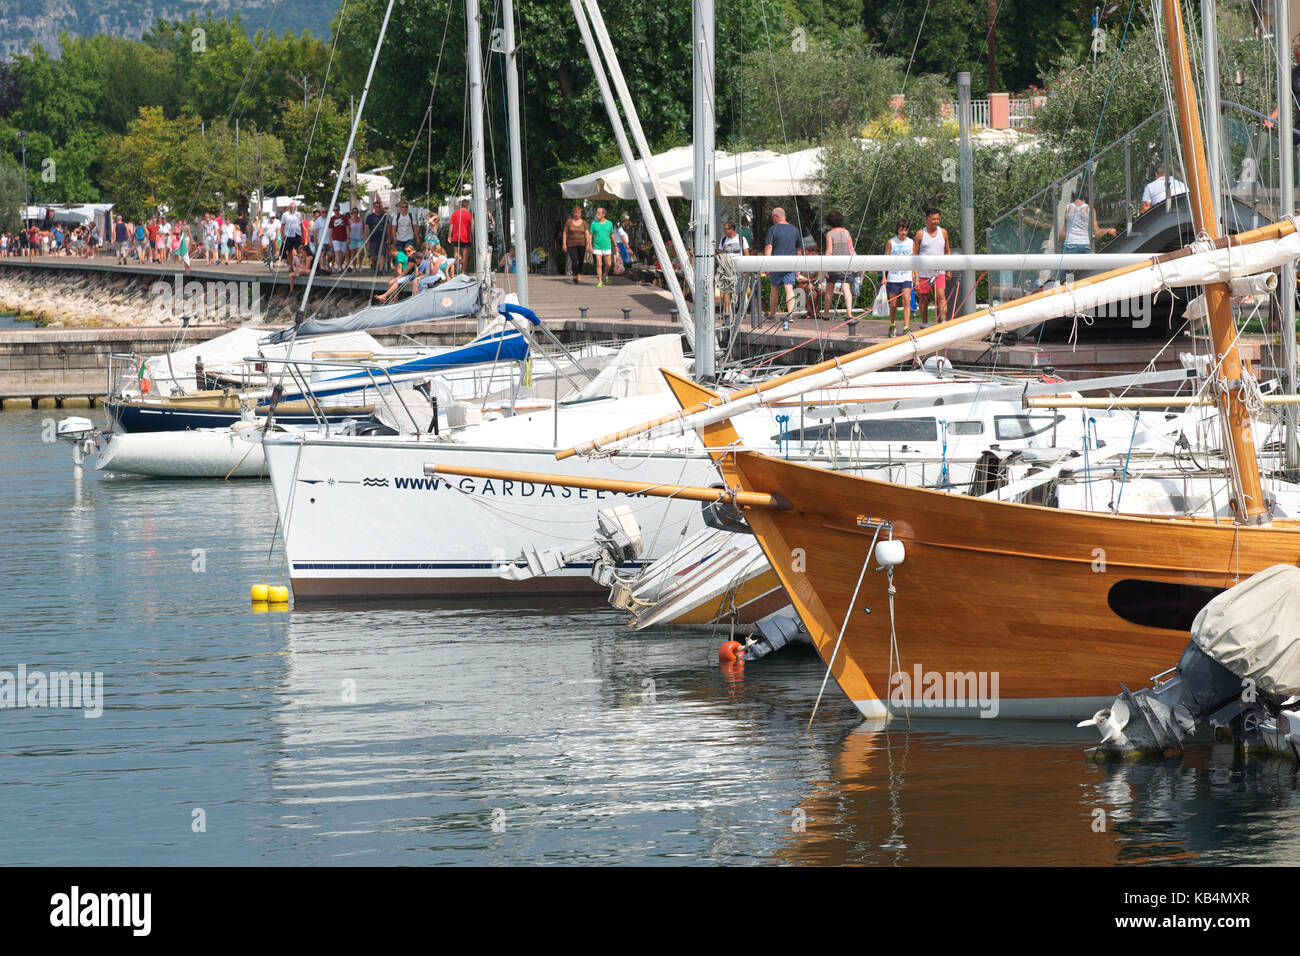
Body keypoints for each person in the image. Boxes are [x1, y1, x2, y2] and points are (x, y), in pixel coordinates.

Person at [1059, 187, 1116, 280]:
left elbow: (1063, 231)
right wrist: (1108, 230)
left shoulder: (1067, 208)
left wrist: (1060, 243)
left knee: (1068, 276)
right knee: (1087, 275)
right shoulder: (1090, 209)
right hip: (1085, 246)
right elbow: (1096, 232)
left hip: (1070, 245)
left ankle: (1068, 290)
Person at [912, 207, 950, 327]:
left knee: (941, 296)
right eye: (933, 219)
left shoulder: (943, 232)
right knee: (923, 298)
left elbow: (947, 252)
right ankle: (924, 324)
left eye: (938, 219)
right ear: (927, 219)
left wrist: (949, 269)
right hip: (924, 273)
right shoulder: (920, 234)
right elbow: (914, 255)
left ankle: (943, 322)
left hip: (939, 271)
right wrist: (915, 274)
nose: (936, 221)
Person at [763, 206, 801, 319]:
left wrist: (767, 265)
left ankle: (772, 313)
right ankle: (790, 314)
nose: (772, 219)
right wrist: (798, 267)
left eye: (772, 217)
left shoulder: (773, 229)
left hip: (776, 263)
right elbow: (799, 249)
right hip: (791, 263)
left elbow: (769, 247)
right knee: (789, 289)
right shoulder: (795, 229)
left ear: (776, 217)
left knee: (774, 289)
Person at [881, 219, 913, 336]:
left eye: (905, 230)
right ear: (897, 230)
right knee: (893, 304)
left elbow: (913, 260)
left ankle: (906, 327)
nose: (903, 232)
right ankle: (892, 324)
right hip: (893, 277)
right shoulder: (891, 242)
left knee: (906, 301)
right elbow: (884, 260)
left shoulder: (911, 242)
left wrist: (916, 276)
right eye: (901, 230)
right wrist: (884, 276)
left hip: (906, 276)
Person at [823, 210, 856, 321]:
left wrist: (825, 269)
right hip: (846, 265)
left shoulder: (830, 234)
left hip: (834, 266)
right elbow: (851, 249)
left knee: (829, 290)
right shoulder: (847, 232)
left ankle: (826, 314)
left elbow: (829, 251)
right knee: (846, 289)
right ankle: (849, 314)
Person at [717, 219, 749, 315]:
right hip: (727, 269)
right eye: (724, 229)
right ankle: (727, 310)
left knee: (740, 289)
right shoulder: (723, 240)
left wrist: (746, 270)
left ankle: (741, 309)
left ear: (732, 229)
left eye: (726, 229)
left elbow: (746, 254)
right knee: (727, 289)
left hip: (739, 268)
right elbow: (720, 251)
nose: (725, 231)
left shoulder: (741, 239)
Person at [562, 206, 589, 283]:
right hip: (571, 244)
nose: (576, 214)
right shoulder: (569, 222)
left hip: (582, 244)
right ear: (573, 213)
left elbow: (587, 233)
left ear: (580, 214)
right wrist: (564, 244)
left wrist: (588, 244)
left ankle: (579, 274)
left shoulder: (584, 223)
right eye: (575, 213)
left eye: (578, 213)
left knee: (580, 260)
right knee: (574, 260)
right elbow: (564, 233)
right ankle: (575, 275)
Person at [589, 207, 615, 286]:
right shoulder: (594, 224)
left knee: (609, 264)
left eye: (598, 213)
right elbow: (590, 235)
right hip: (597, 247)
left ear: (603, 214)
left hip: (607, 246)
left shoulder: (609, 223)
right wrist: (589, 245)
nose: (596, 214)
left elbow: (612, 234)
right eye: (596, 213)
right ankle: (600, 281)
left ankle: (606, 274)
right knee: (599, 264)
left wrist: (615, 244)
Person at [448, 199, 473, 273]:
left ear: (461, 205)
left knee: (456, 253)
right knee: (465, 254)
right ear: (467, 206)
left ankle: (457, 268)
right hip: (466, 237)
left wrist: (449, 236)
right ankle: (463, 271)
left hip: (456, 236)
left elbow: (451, 225)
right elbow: (472, 227)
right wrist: (472, 236)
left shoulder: (455, 214)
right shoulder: (469, 215)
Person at [365, 201, 387, 273]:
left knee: (382, 254)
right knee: (373, 256)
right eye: (376, 206)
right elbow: (366, 228)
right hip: (373, 239)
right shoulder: (370, 217)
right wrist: (366, 239)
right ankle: (374, 265)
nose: (377, 208)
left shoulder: (384, 216)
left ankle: (380, 270)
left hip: (382, 238)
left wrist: (389, 237)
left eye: (379, 206)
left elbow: (388, 227)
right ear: (374, 207)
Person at [281, 202, 304, 270]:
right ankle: (291, 266)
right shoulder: (285, 214)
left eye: (293, 207)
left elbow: (301, 224)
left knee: (299, 250)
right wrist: (282, 235)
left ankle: (300, 265)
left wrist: (302, 234)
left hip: (297, 233)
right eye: (291, 207)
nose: (292, 209)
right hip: (288, 234)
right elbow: (283, 225)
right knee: (289, 251)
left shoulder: (298, 214)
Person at [329, 203, 349, 271]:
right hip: (335, 238)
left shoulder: (344, 217)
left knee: (343, 254)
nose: (335, 211)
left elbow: (347, 227)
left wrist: (348, 237)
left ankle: (340, 265)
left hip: (343, 238)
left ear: (339, 209)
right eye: (334, 210)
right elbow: (330, 230)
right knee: (337, 253)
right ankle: (339, 268)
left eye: (336, 210)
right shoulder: (332, 219)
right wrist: (330, 240)